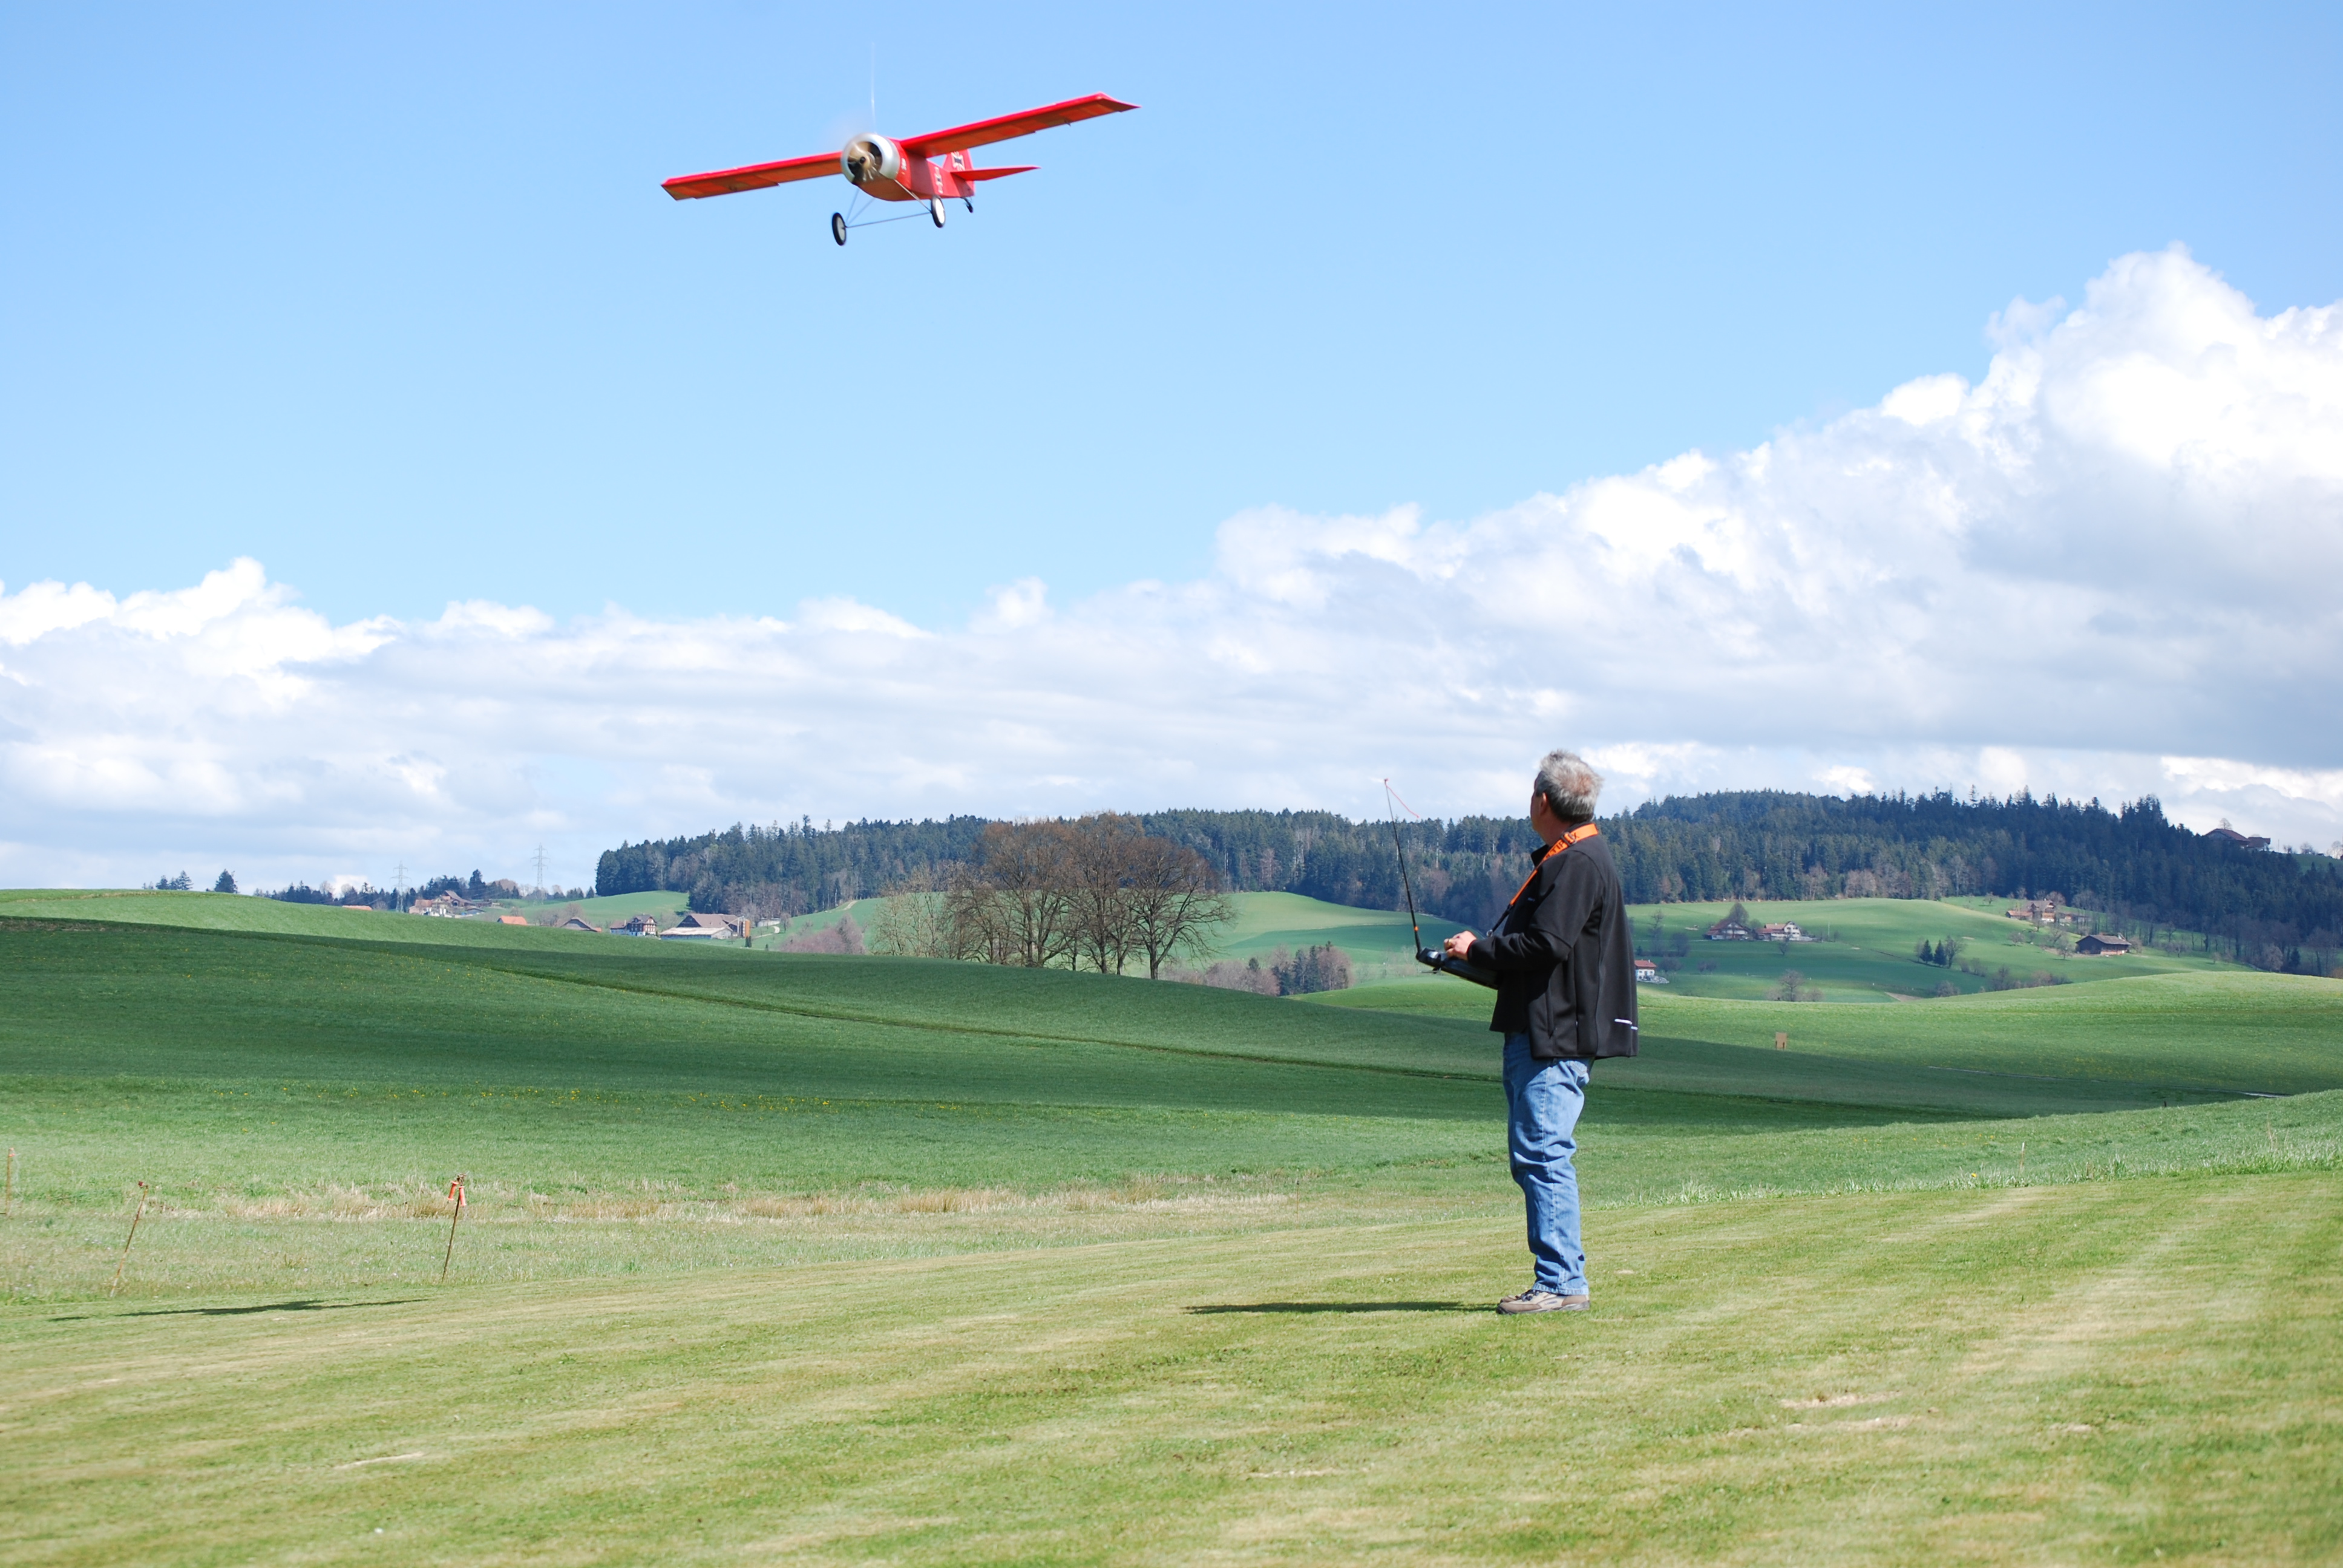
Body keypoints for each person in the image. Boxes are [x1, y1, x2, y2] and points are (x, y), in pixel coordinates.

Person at [1441, 749, 1638, 1313]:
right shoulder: (1579, 856)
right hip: (1548, 1027)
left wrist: (1478, 947)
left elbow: (1547, 946)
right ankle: (1559, 1279)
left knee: (1543, 1154)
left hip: (1556, 1034)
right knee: (1537, 1153)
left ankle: (1560, 1283)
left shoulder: (1577, 862)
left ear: (1543, 800)